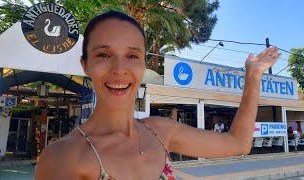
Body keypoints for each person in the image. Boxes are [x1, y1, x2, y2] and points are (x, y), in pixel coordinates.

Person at [35, 10, 280, 180]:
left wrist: (253, 75)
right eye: (103, 55)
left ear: (144, 64)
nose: (119, 69)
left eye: (132, 56)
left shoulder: (160, 132)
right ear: (85, 65)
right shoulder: (63, 157)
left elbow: (238, 143)